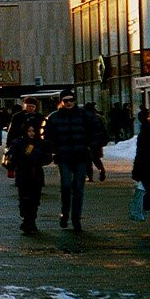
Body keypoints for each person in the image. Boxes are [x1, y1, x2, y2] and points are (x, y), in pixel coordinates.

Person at [42, 88, 107, 233]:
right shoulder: (54, 117)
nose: (69, 103)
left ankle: (76, 219)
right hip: (64, 157)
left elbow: (99, 131)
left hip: (81, 157)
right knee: (65, 186)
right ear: (61, 101)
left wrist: (92, 146)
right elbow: (47, 137)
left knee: (78, 188)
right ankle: (65, 213)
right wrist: (53, 149)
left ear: (75, 101)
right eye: (65, 100)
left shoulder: (85, 116)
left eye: (71, 100)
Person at [5, 120, 52, 234]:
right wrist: (24, 155)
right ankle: (27, 220)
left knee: (35, 200)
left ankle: (31, 221)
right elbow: (12, 157)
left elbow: (47, 158)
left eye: (33, 131)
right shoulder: (18, 142)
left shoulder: (40, 143)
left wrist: (37, 155)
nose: (31, 133)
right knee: (24, 199)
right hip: (23, 174)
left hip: (36, 174)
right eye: (29, 131)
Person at [131, 109, 150, 222]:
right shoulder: (144, 133)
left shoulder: (142, 134)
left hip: (145, 168)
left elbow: (140, 154)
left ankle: (146, 206)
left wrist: (136, 170)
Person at [83, 101, 106, 182]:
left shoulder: (83, 117)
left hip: (87, 141)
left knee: (87, 159)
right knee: (96, 158)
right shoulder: (99, 117)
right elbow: (103, 129)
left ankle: (90, 176)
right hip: (97, 141)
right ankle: (101, 169)